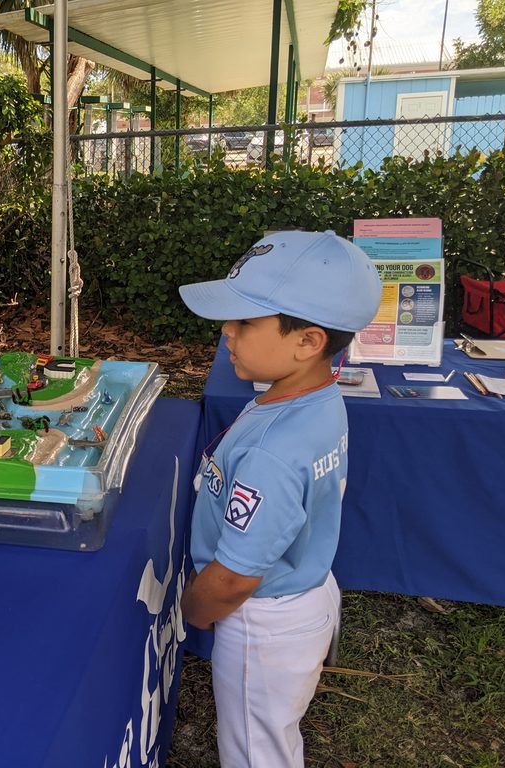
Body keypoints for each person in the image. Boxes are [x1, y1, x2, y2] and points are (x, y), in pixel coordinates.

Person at [177, 230, 382, 767]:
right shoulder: (313, 397)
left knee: (255, 749)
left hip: (263, 620)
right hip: (304, 589)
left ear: (308, 341)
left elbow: (234, 579)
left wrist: (193, 608)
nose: (227, 330)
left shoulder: (273, 451)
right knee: (271, 734)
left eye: (245, 321)